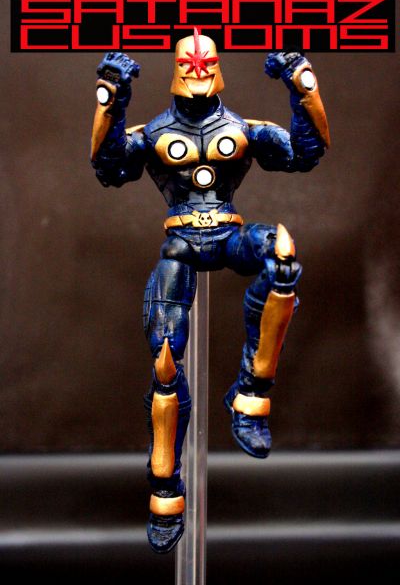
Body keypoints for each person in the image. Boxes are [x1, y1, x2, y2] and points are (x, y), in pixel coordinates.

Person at [90, 29, 329, 553]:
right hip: (179, 247)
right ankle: (165, 490)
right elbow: (109, 166)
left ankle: (251, 395)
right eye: (189, 64)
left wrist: (302, 85)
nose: (198, 71)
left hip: (229, 235)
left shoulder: (241, 129)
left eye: (206, 63)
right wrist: (111, 98)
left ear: (216, 67)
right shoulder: (155, 134)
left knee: (282, 257)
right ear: (177, 69)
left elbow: (305, 153)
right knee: (166, 363)